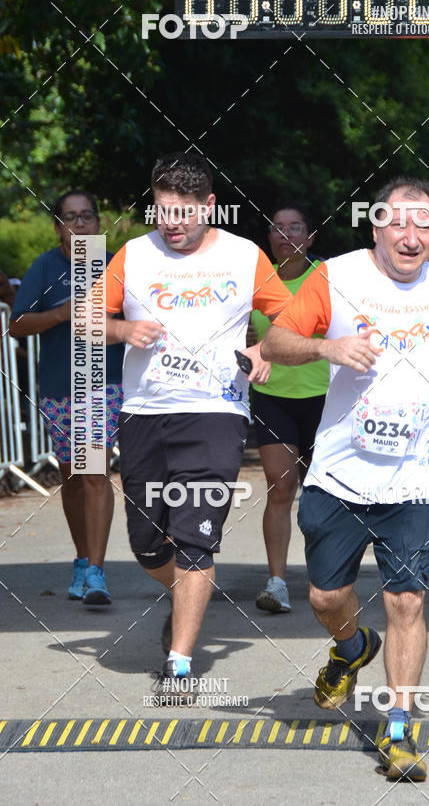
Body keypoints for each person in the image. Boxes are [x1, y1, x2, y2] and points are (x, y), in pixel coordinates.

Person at [262, 175, 429, 781]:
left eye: (424, 226)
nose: (411, 236)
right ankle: (349, 646)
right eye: (399, 223)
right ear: (377, 226)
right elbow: (277, 339)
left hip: (418, 475)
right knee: (325, 597)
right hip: (340, 473)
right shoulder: (334, 276)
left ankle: (398, 733)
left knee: (406, 600)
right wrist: (328, 349)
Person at [103, 152, 289, 688]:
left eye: (184, 211)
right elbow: (89, 319)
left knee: (195, 540)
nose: (174, 223)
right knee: (146, 544)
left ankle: (179, 662)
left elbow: (288, 316)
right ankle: (186, 588)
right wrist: (122, 332)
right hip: (145, 412)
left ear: (209, 206)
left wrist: (264, 350)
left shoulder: (244, 255)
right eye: (164, 211)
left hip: (215, 413)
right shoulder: (133, 256)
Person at [9, 191, 124, 605]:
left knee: (94, 472)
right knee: (72, 479)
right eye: (70, 218)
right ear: (58, 226)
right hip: (59, 387)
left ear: (98, 222)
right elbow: (17, 324)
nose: (79, 224)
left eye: (87, 216)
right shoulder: (45, 266)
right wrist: (62, 313)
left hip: (103, 384)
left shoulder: (116, 265)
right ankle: (82, 560)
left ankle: (96, 572)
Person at [251, 206, 329, 614]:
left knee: (319, 495)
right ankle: (277, 582)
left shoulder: (328, 278)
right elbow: (244, 335)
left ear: (311, 237)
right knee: (279, 489)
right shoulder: (256, 281)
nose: (285, 234)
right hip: (272, 396)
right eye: (277, 228)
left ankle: (326, 579)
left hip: (324, 398)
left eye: (295, 227)